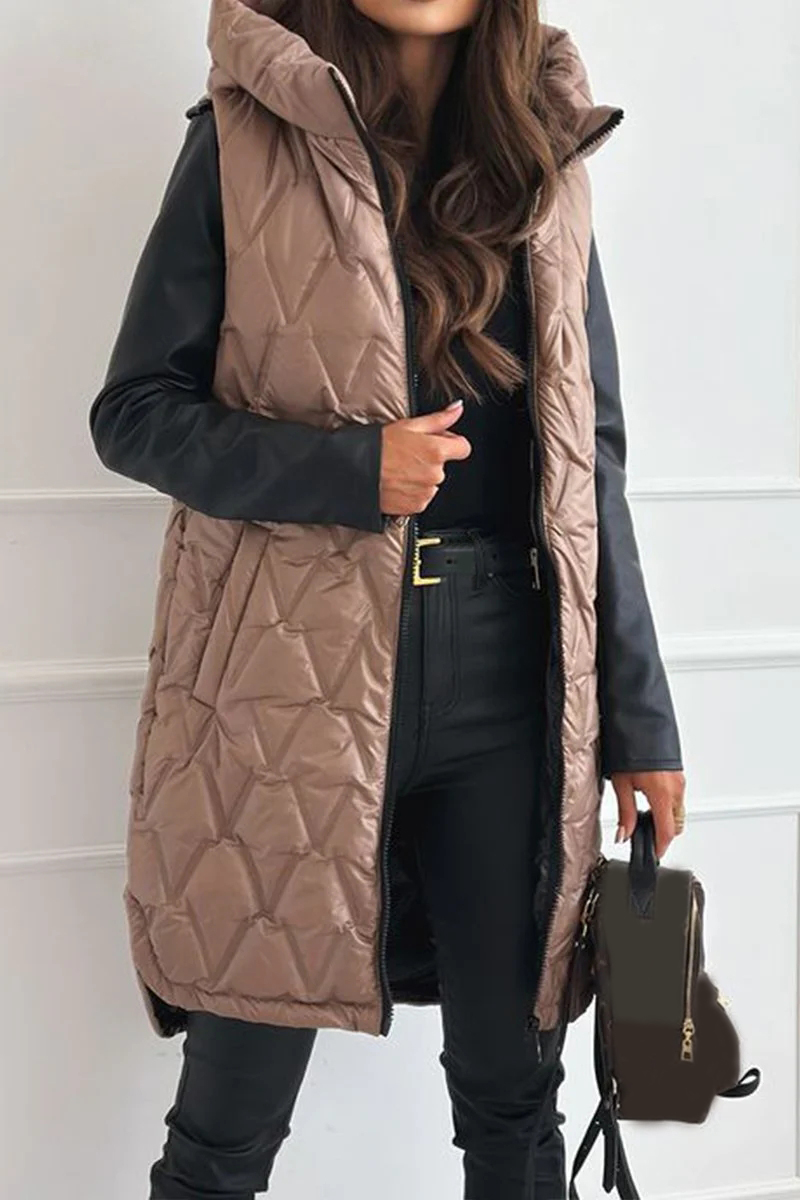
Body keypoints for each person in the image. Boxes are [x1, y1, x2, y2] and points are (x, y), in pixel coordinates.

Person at [88, 1, 687, 1197]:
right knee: (224, 1126)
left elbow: (589, 465)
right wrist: (350, 471)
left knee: (515, 1107)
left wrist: (641, 724)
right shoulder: (241, 138)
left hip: (512, 682)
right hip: (283, 685)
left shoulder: (545, 157)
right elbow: (135, 413)